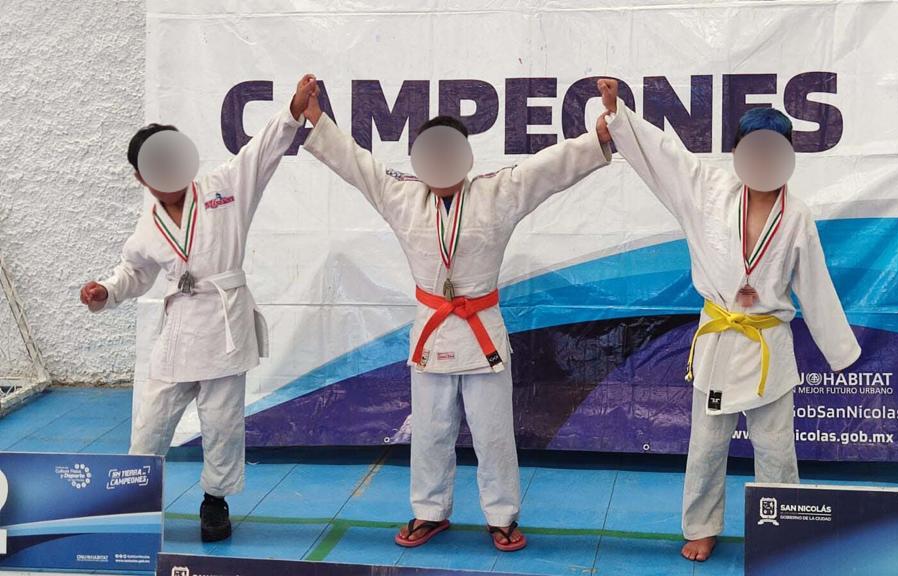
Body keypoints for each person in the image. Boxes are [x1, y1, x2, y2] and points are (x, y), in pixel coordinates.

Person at [299, 92, 612, 552]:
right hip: (432, 331)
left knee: (493, 433)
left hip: (481, 331)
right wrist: (316, 119)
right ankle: (429, 511)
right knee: (429, 431)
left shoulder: (497, 193)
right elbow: (357, 164)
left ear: (465, 157)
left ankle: (502, 516)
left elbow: (547, 169)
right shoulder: (401, 196)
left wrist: (596, 138)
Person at [597, 78, 860, 562]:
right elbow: (666, 156)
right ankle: (702, 526)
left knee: (776, 449)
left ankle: (784, 529)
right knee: (706, 445)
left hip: (766, 344)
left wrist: (840, 351)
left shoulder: (797, 215)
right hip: (720, 339)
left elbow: (815, 285)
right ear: (737, 153)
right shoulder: (708, 192)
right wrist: (619, 115)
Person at [78, 74, 319, 543]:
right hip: (180, 328)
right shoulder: (148, 225)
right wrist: (105, 291)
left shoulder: (224, 187)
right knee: (151, 422)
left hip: (225, 324)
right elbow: (134, 272)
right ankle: (133, 501)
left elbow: (261, 152)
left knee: (222, 423)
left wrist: (293, 110)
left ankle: (215, 501)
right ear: (141, 177)